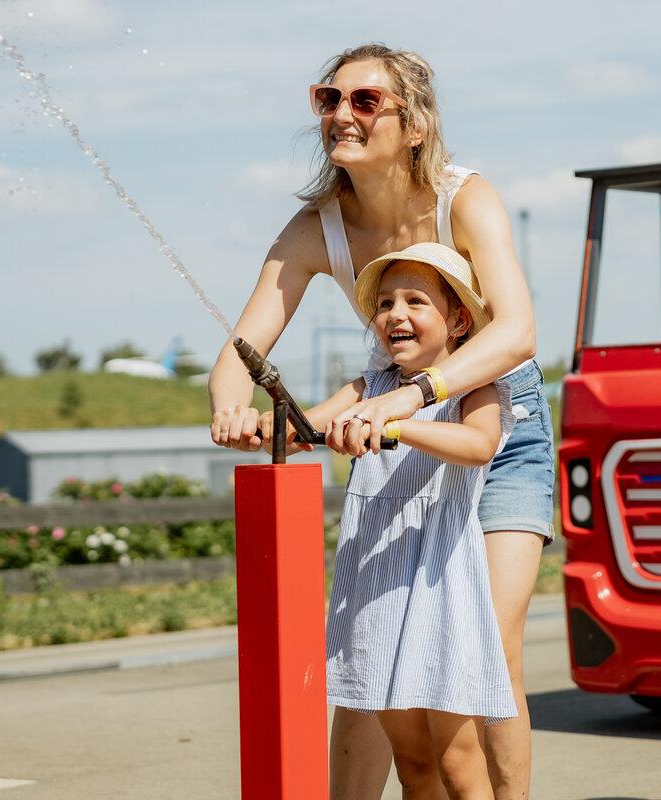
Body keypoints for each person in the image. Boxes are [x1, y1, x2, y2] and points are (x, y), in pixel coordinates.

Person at [205, 44, 552, 800]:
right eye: (328, 98)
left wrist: (412, 394)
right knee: (371, 652)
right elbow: (238, 350)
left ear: (415, 121)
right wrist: (231, 407)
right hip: (398, 436)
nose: (340, 114)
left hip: (497, 420)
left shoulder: (467, 197)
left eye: (365, 101)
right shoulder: (316, 229)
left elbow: (517, 331)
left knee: (488, 647)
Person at [311, 243, 515, 800]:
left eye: (415, 301)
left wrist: (397, 423)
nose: (395, 313)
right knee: (414, 763)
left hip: (440, 588)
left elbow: (479, 445)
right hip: (378, 594)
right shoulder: (365, 388)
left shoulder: (476, 388)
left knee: (459, 762)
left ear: (458, 321)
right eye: (384, 303)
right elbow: (300, 425)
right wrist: (259, 421)